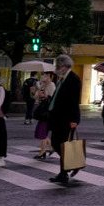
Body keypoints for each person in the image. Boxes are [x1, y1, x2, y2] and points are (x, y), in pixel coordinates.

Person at [46, 55, 82, 183]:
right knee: (57, 144)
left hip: (66, 118)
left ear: (65, 66)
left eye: (58, 66)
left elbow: (74, 101)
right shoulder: (62, 79)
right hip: (58, 117)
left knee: (61, 144)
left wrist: (74, 119)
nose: (57, 68)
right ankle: (70, 165)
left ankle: (65, 171)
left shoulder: (73, 79)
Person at [33, 72, 56, 160]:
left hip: (47, 112)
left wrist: (43, 94)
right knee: (42, 131)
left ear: (49, 76)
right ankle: (51, 148)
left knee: (42, 131)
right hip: (42, 111)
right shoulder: (42, 84)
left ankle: (42, 151)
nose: (42, 76)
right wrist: (35, 92)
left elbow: (51, 97)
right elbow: (36, 97)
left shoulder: (51, 85)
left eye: (44, 75)